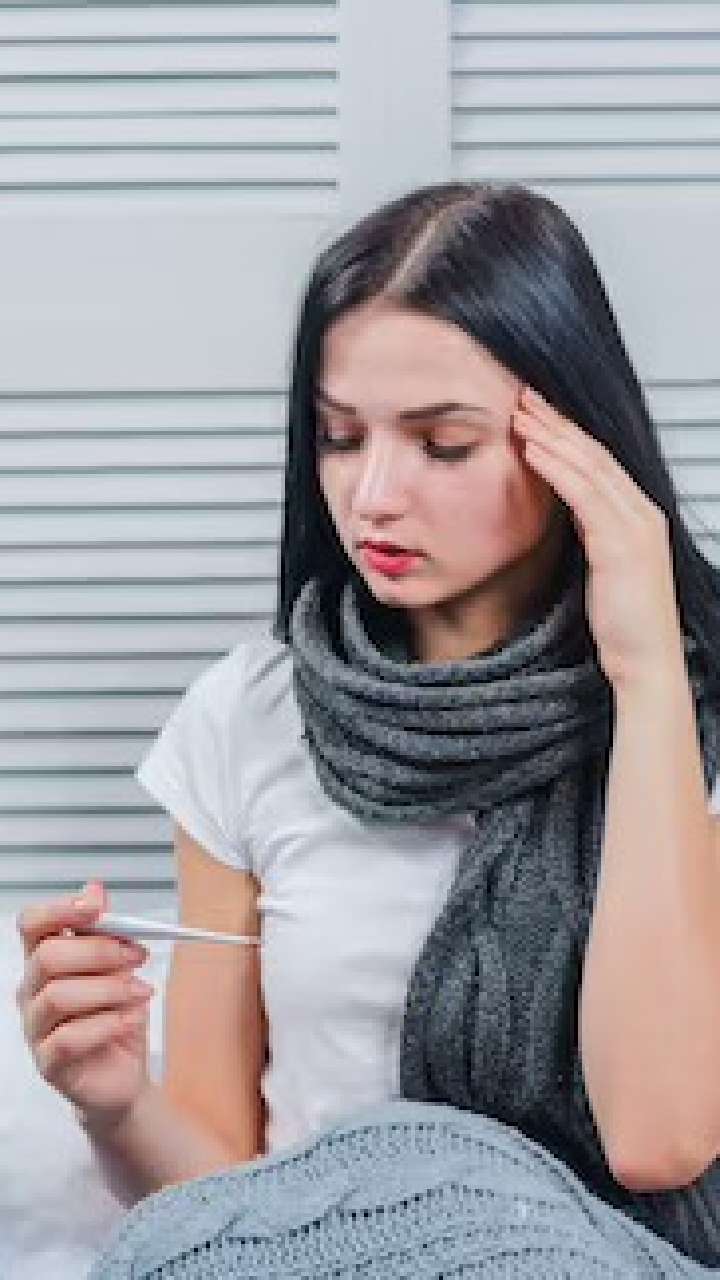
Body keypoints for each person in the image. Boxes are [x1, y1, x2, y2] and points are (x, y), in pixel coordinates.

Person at [15, 180, 720, 1276]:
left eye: (443, 444)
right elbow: (231, 1202)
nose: (373, 495)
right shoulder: (247, 719)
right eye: (341, 437)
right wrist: (115, 1102)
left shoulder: (685, 722)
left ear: (575, 444)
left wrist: (646, 675)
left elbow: (658, 1136)